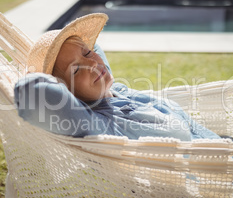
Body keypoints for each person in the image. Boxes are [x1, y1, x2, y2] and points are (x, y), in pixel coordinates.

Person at [14, 13, 221, 142]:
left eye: (87, 53)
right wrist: (37, 74)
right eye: (76, 70)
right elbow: (36, 92)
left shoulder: (116, 90)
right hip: (221, 182)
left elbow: (97, 52)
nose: (93, 64)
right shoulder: (98, 124)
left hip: (225, 146)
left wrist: (79, 54)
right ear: (66, 92)